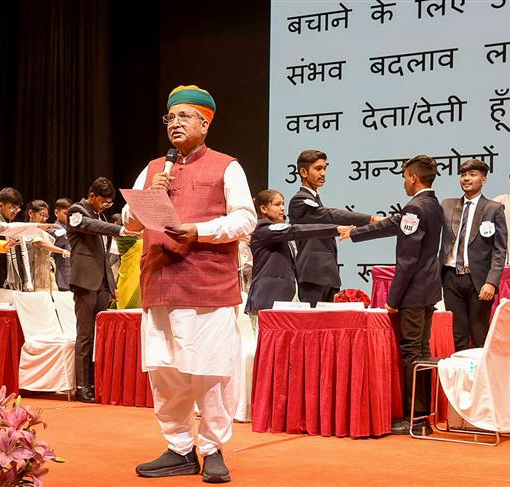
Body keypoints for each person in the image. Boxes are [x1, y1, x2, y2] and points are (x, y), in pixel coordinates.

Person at [124, 85, 256, 483]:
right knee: (165, 373)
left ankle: (213, 448)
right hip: (160, 284)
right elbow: (129, 224)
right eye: (171, 118)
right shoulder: (152, 169)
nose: (175, 124)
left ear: (205, 122)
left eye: (185, 117)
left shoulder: (226, 166)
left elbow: (245, 220)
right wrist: (148, 197)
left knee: (209, 373)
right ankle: (179, 449)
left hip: (207, 288)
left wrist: (197, 230)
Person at [341, 155, 443, 436]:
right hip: (429, 290)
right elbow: (392, 225)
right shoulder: (433, 204)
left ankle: (415, 419)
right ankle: (423, 417)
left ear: (412, 177)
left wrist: (392, 299)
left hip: (412, 294)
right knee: (421, 352)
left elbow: (407, 261)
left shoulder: (414, 207)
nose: (403, 182)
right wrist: (356, 232)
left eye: (403, 177)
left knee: (411, 355)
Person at [67, 177, 133, 403]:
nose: (105, 206)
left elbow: (104, 257)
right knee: (85, 336)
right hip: (85, 282)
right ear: (92, 196)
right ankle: (82, 386)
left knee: (100, 338)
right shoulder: (77, 211)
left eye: (108, 203)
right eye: (103, 202)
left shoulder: (100, 216)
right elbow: (89, 226)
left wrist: (111, 285)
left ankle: (96, 382)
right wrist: (121, 230)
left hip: (102, 284)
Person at [288, 150, 382, 307]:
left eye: (325, 168)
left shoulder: (315, 199)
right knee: (313, 327)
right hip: (313, 274)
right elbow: (330, 215)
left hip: (327, 275)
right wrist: (371, 219)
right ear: (303, 172)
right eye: (318, 169)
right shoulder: (300, 200)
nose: (323, 173)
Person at [245, 189, 351, 315]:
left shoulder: (277, 234)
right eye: (277, 204)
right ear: (263, 209)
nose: (283, 208)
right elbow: (297, 230)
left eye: (283, 204)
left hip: (282, 302)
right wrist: (335, 229)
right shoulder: (264, 230)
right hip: (266, 302)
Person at [440, 159, 507, 352]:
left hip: (479, 281)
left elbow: (500, 250)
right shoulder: (448, 205)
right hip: (450, 277)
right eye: (463, 175)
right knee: (457, 335)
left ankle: (481, 381)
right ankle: (462, 381)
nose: (467, 179)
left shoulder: (493, 209)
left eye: (472, 175)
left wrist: (492, 282)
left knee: (479, 334)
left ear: (483, 180)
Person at [0, 187, 53, 291]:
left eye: (17, 209)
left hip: (15, 282)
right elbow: (7, 228)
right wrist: (34, 226)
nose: (15, 211)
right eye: (12, 208)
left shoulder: (13, 226)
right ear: (1, 205)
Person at [24, 199, 69, 293]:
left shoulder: (44, 230)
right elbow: (40, 243)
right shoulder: (26, 228)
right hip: (31, 270)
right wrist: (63, 251)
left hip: (42, 269)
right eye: (41, 215)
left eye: (46, 216)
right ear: (31, 213)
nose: (44, 219)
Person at [51, 198, 73, 291]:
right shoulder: (53, 229)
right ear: (56, 212)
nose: (68, 217)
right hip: (59, 273)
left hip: (71, 272)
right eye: (65, 213)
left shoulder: (71, 228)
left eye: (70, 214)